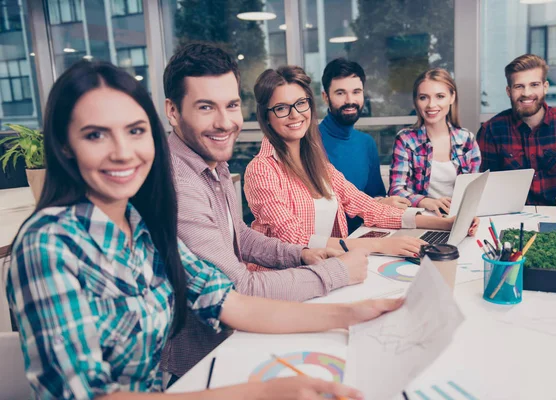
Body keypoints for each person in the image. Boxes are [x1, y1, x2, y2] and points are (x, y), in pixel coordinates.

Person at [5, 60, 404, 400]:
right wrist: (261, 392)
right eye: (95, 134)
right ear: (63, 146)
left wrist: (357, 312)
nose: (123, 151)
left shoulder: (140, 224)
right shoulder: (47, 245)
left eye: (135, 130)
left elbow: (229, 302)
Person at [160, 43, 369, 381]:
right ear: (173, 111)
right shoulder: (177, 184)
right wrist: (337, 273)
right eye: (205, 107)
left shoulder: (213, 162)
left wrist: (300, 255)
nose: (225, 122)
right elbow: (238, 290)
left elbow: (238, 236)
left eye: (230, 105)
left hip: (236, 339)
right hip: (198, 365)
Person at [244, 66, 479, 256]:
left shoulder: (316, 161)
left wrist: (447, 224)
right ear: (266, 115)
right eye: (282, 108)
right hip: (287, 277)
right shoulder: (262, 169)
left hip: (331, 265)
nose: (295, 114)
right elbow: (295, 239)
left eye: (301, 103)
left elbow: (368, 207)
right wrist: (377, 246)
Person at [477, 54, 556, 205]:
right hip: (514, 219)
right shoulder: (491, 131)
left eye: (534, 85)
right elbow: (485, 188)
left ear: (545, 87)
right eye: (519, 86)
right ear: (509, 91)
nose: (526, 93)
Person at [319, 58, 410, 232]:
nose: (349, 100)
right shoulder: (309, 144)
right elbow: (320, 210)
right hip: (329, 245)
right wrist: (379, 203)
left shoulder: (366, 143)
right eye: (340, 93)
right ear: (325, 97)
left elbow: (377, 197)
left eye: (356, 92)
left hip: (367, 234)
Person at [388, 68, 481, 216]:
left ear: (452, 98)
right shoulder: (405, 140)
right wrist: (425, 201)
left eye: (440, 96)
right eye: (423, 97)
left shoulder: (467, 140)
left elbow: (475, 191)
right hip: (420, 218)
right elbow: (395, 190)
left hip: (458, 217)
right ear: (415, 102)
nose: (431, 104)